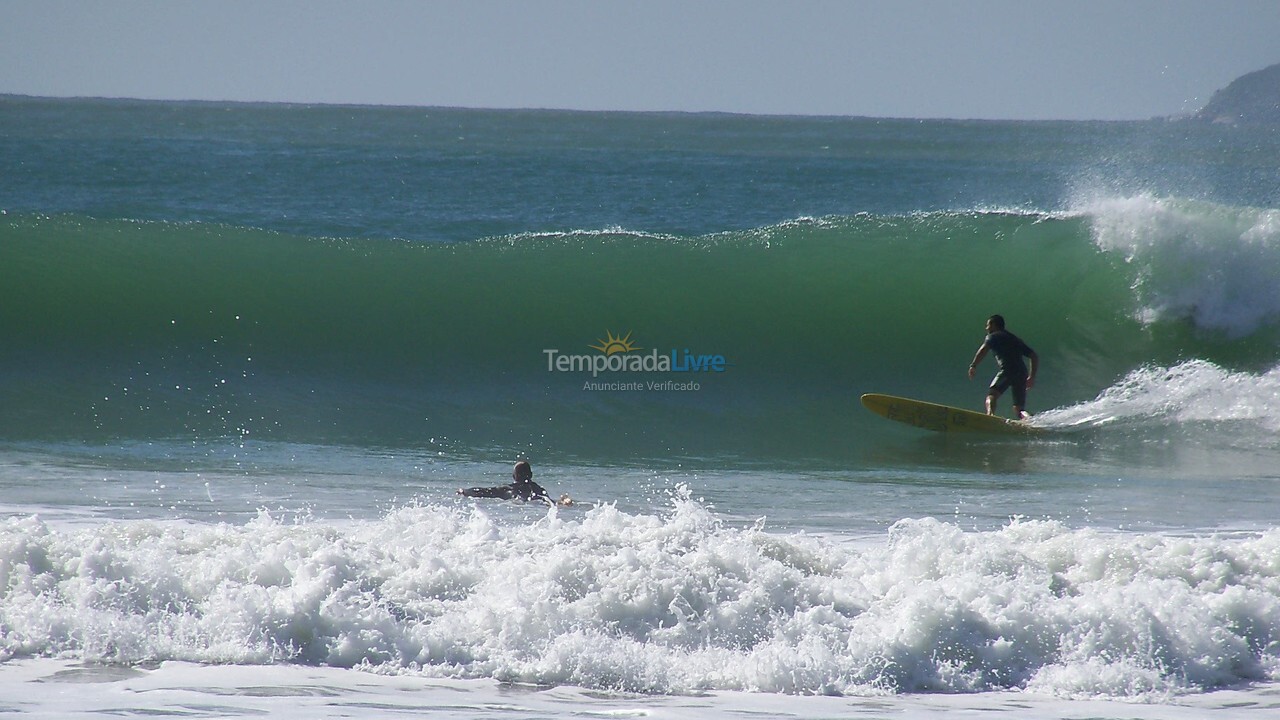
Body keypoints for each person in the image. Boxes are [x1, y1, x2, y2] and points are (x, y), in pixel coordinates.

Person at [968, 314, 1039, 420]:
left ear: (993, 325)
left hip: (1007, 370)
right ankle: (1030, 421)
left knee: (992, 395)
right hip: (1021, 372)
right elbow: (1033, 356)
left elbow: (983, 350)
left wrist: (973, 365)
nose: (986, 328)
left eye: (988, 325)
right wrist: (1032, 376)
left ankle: (990, 417)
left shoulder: (993, 336)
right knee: (1019, 408)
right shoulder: (1014, 339)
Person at [457, 460, 571, 506]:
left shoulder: (507, 488)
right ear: (531, 475)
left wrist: (465, 491)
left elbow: (484, 492)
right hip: (536, 503)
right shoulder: (537, 489)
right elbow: (550, 503)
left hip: (516, 504)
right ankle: (565, 502)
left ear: (514, 476)